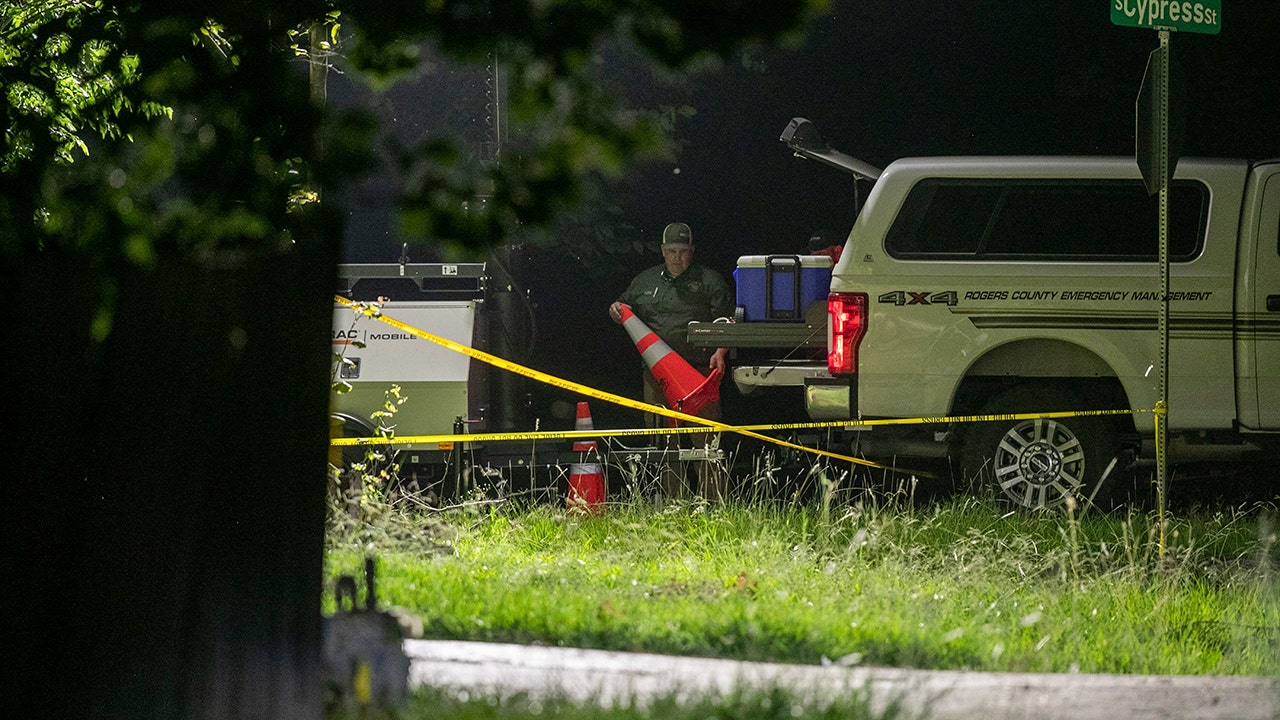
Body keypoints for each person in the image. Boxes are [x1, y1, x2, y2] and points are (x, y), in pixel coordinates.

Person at [609, 221, 733, 499]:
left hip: (699, 374)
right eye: (672, 251)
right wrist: (616, 310)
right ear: (663, 251)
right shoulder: (645, 281)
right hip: (657, 376)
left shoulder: (710, 280)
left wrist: (720, 352)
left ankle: (714, 504)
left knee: (706, 443)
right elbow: (622, 306)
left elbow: (727, 320)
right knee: (664, 443)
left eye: (684, 251)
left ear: (692, 251)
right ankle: (671, 503)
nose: (678, 257)